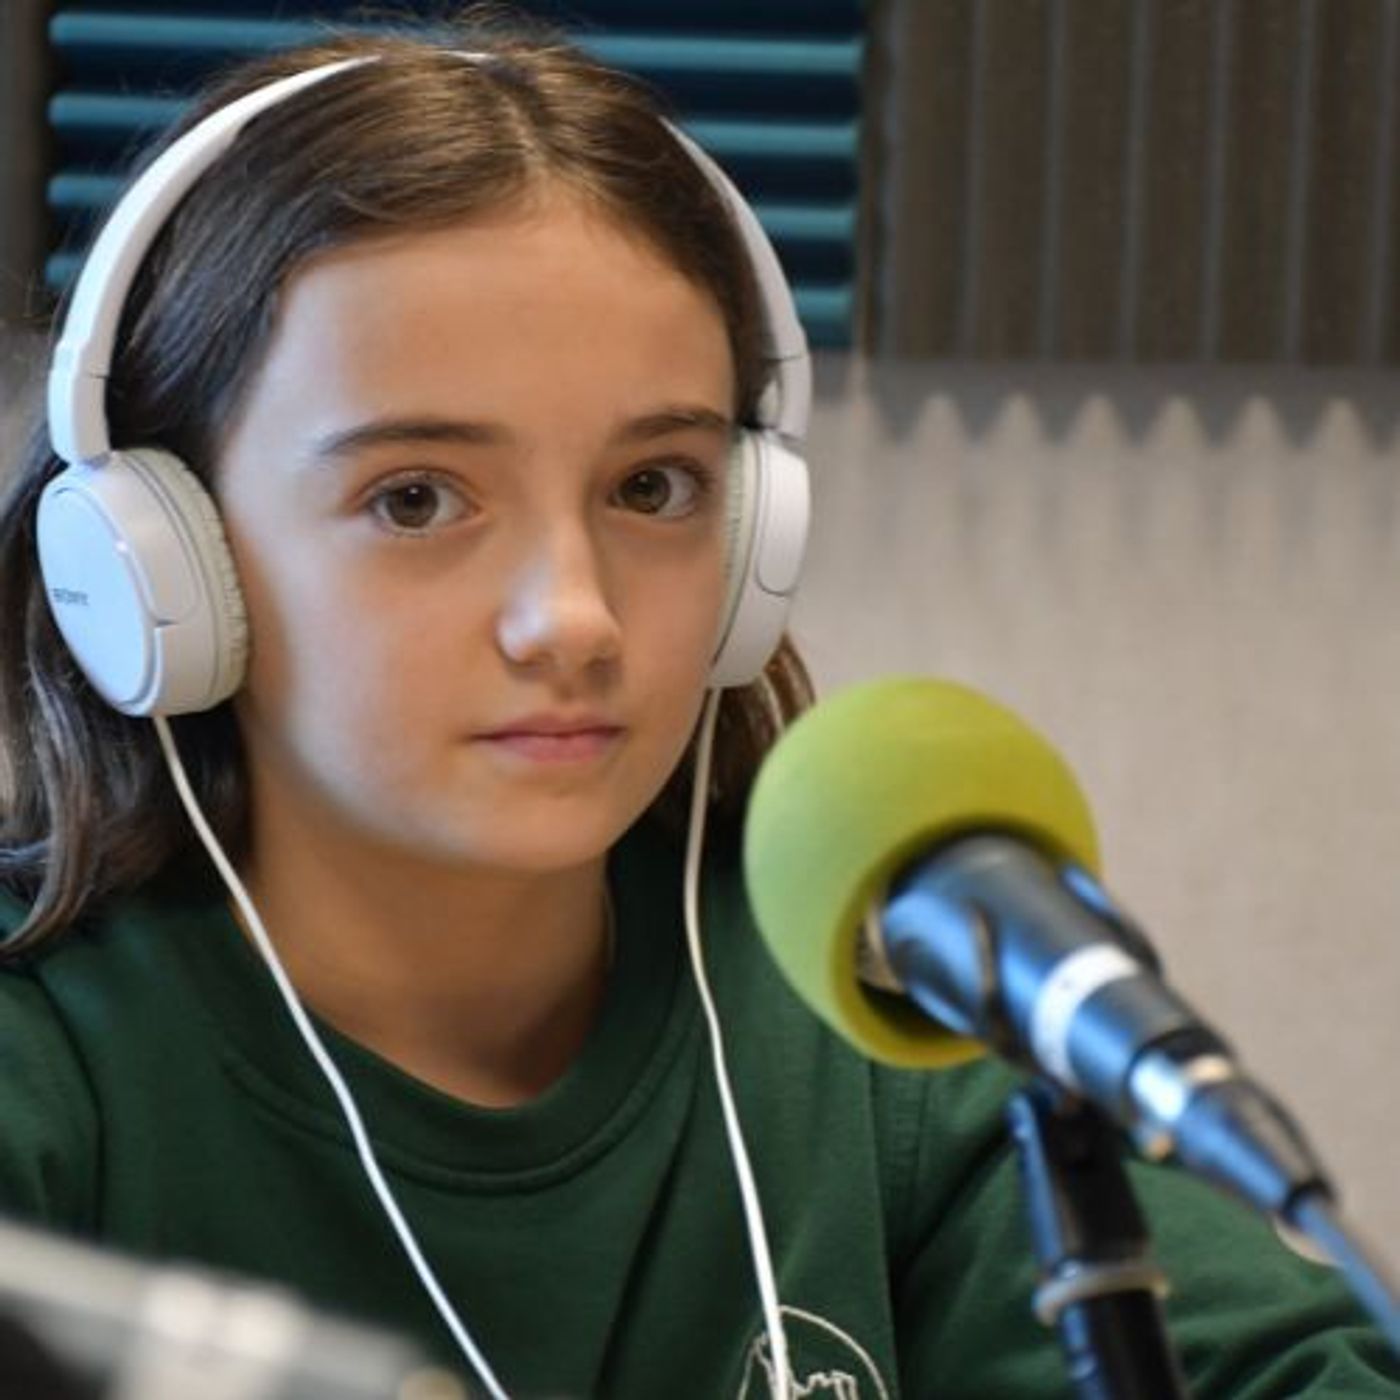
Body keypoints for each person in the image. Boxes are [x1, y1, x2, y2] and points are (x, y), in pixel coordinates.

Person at [0, 12, 1395, 1398]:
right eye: (415, 499)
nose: (575, 618)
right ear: (156, 560)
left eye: (652, 487)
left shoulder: (859, 1020)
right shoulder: (48, 1053)